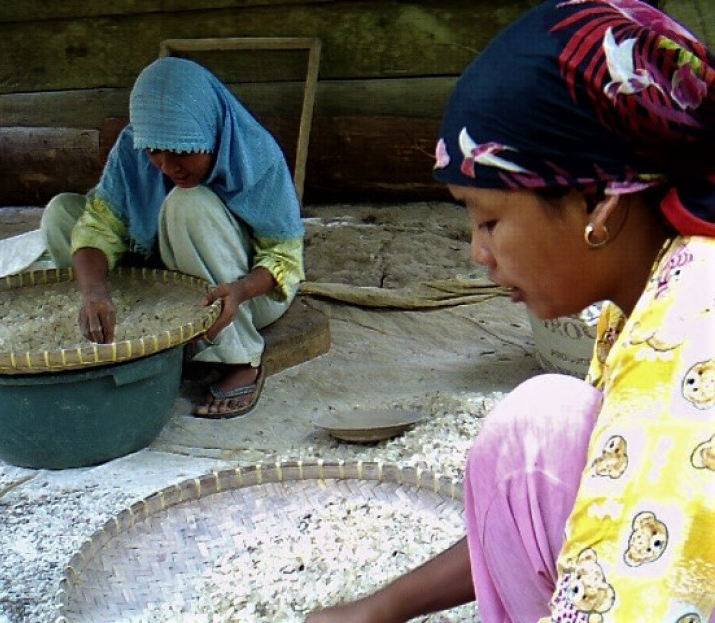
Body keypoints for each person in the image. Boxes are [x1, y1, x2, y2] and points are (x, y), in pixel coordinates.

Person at [307, 0, 714, 621]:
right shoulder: (661, 279)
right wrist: (381, 608)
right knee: (537, 436)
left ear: (596, 202)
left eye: (490, 220)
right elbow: (604, 489)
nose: (479, 252)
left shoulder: (690, 329)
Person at [41, 57, 305, 419]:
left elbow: (285, 258)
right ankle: (115, 326)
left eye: (182, 151)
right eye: (154, 152)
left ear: (209, 131)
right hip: (169, 278)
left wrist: (240, 290)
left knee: (188, 202)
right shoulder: (132, 148)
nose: (167, 167)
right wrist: (94, 292)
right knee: (61, 214)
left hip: (242, 297)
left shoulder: (258, 157)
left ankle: (239, 357)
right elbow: (98, 226)